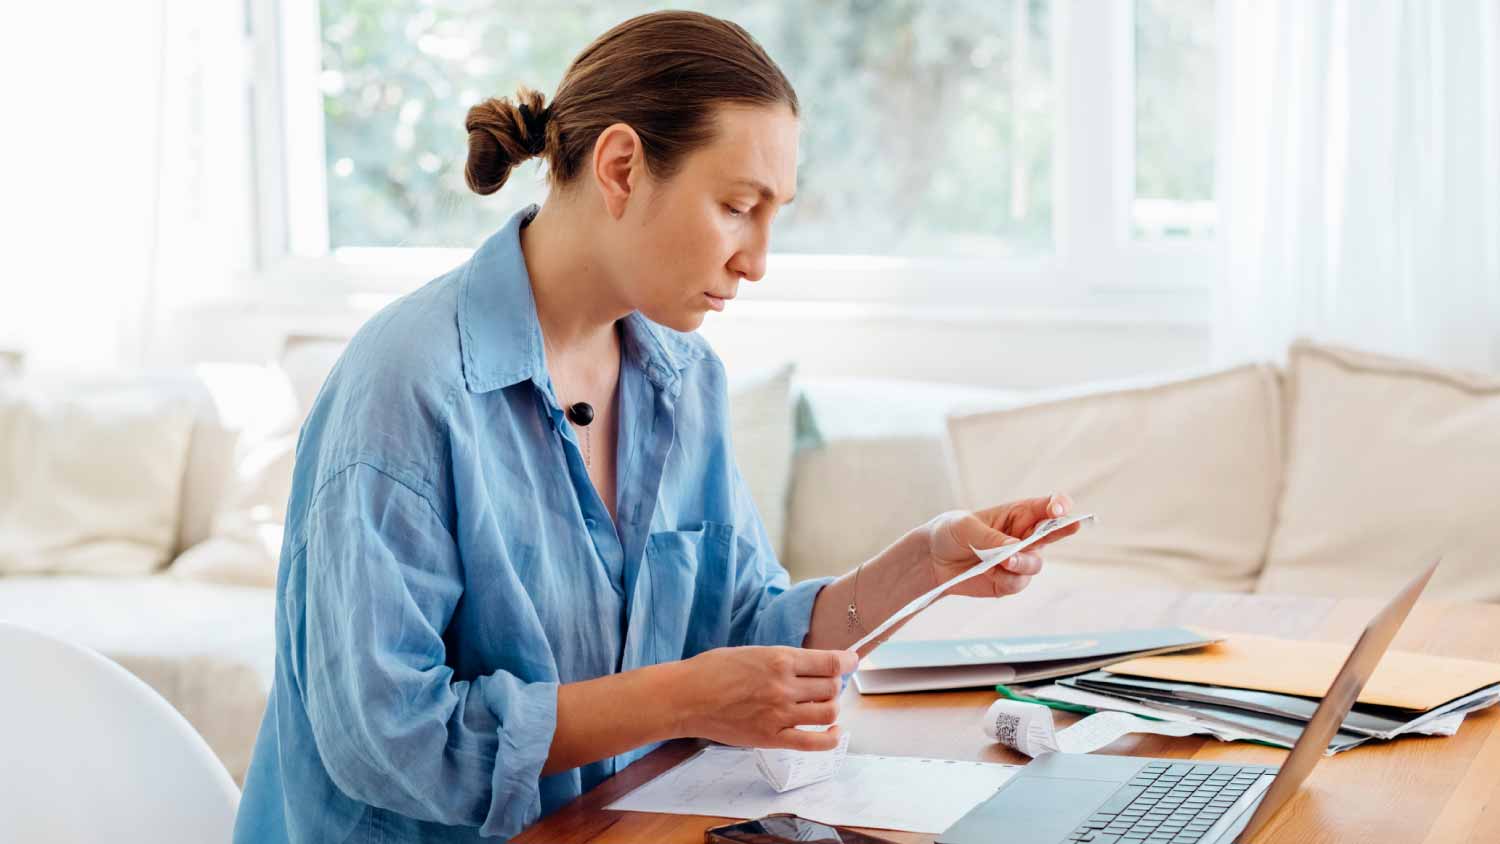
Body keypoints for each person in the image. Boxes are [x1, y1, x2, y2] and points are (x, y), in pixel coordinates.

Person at [233, 10, 1078, 843]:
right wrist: (685, 697)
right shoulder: (407, 386)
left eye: (775, 213)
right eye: (738, 206)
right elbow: (389, 741)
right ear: (624, 168)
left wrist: (922, 564)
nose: (757, 261)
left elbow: (744, 630)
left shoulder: (680, 377)